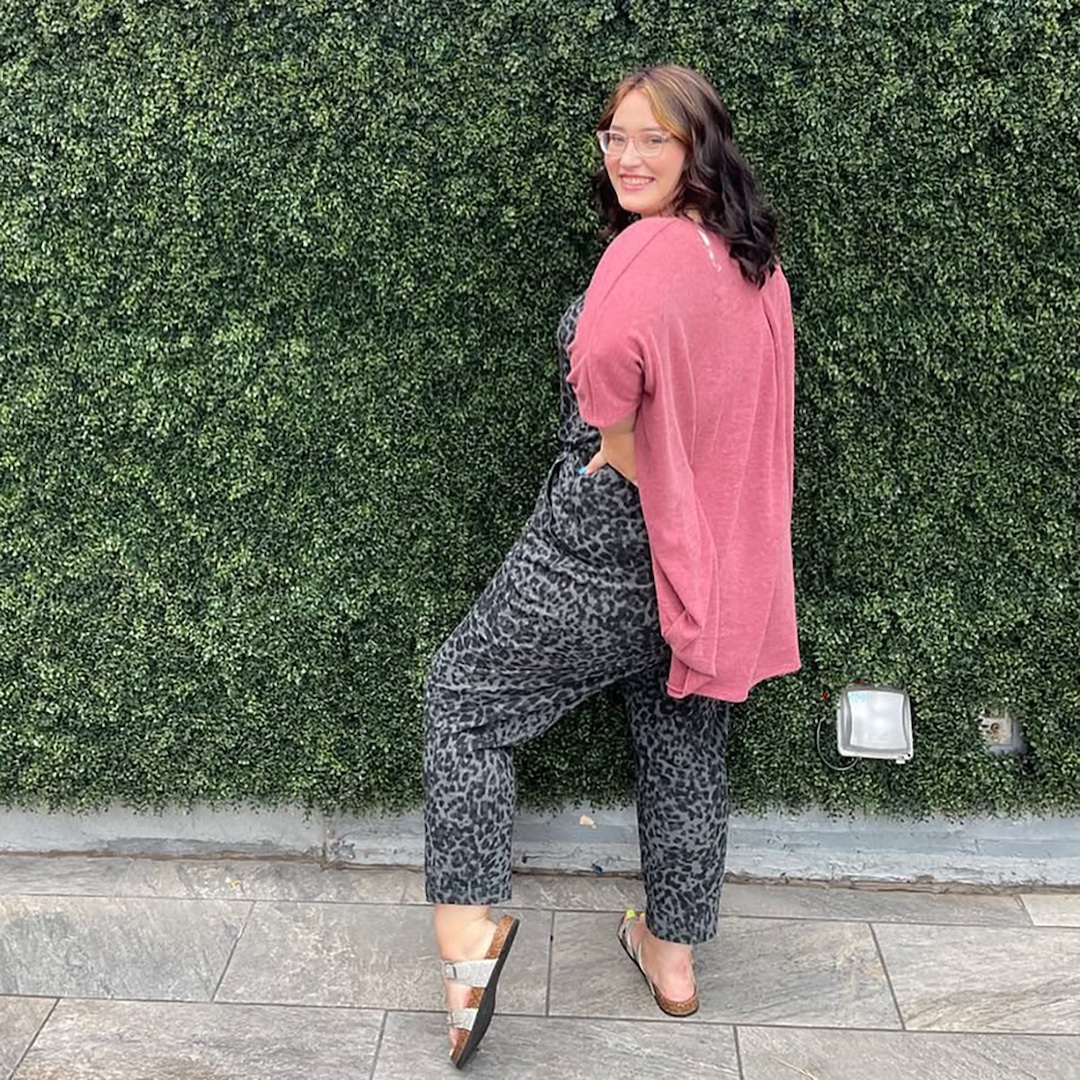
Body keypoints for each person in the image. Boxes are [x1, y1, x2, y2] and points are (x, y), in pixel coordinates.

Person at [423, 64, 800, 1068]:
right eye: (614, 137)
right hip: (710, 553)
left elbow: (601, 370)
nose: (628, 157)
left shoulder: (649, 248)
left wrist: (622, 451)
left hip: (607, 542)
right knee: (683, 739)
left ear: (697, 149)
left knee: (463, 697)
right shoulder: (753, 262)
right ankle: (671, 958)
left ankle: (467, 944)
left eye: (653, 139)